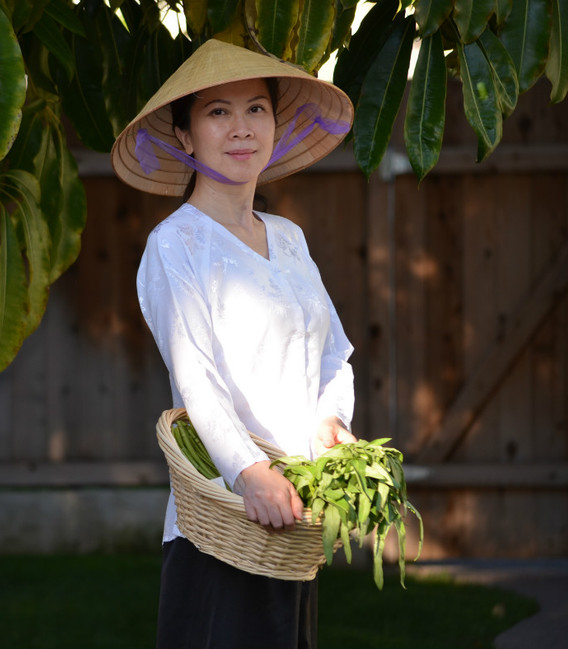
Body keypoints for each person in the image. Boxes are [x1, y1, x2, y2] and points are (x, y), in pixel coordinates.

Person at [111, 38, 356, 649]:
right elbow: (196, 380)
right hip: (226, 522)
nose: (241, 128)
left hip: (295, 517)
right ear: (186, 136)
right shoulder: (177, 245)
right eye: (218, 112)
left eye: (256, 109)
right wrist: (250, 472)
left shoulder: (289, 237)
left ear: (275, 124)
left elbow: (335, 353)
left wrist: (331, 419)